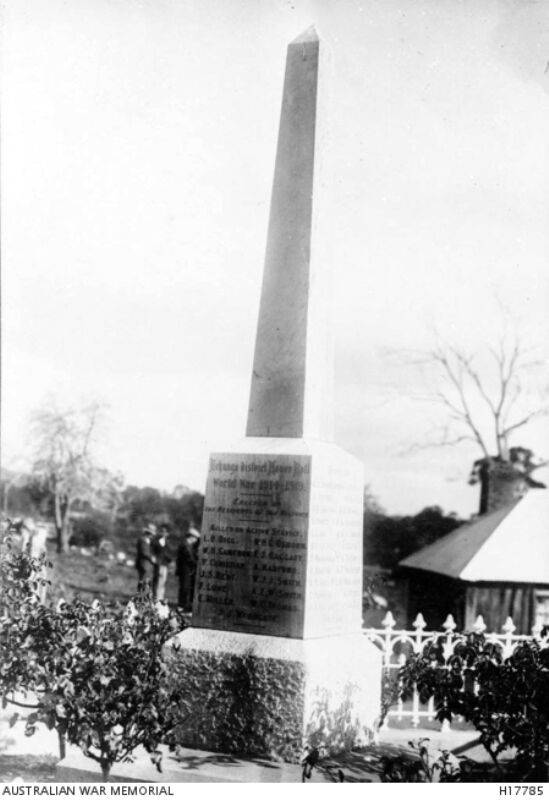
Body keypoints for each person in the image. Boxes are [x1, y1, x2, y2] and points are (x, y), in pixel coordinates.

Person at [175, 526, 200, 612]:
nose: (196, 540)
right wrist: (198, 564)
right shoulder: (185, 545)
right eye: (195, 538)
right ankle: (181, 606)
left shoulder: (188, 545)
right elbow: (189, 558)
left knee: (186, 588)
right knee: (184, 588)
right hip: (185, 570)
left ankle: (183, 605)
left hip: (187, 570)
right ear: (191, 537)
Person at [151, 524, 170, 602]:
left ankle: (160, 598)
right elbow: (152, 551)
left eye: (165, 532)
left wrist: (169, 560)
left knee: (163, 582)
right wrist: (154, 559)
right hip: (158, 564)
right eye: (162, 531)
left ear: (168, 533)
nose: (163, 533)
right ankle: (155, 598)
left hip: (164, 564)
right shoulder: (155, 541)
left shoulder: (167, 542)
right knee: (157, 581)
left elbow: (169, 553)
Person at [135, 524, 156, 593]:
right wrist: (151, 558)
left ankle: (143, 597)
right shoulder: (142, 540)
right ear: (148, 533)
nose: (152, 536)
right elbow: (144, 552)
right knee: (143, 581)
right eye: (151, 534)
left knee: (145, 581)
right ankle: (140, 597)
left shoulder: (147, 541)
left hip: (146, 564)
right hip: (143, 563)